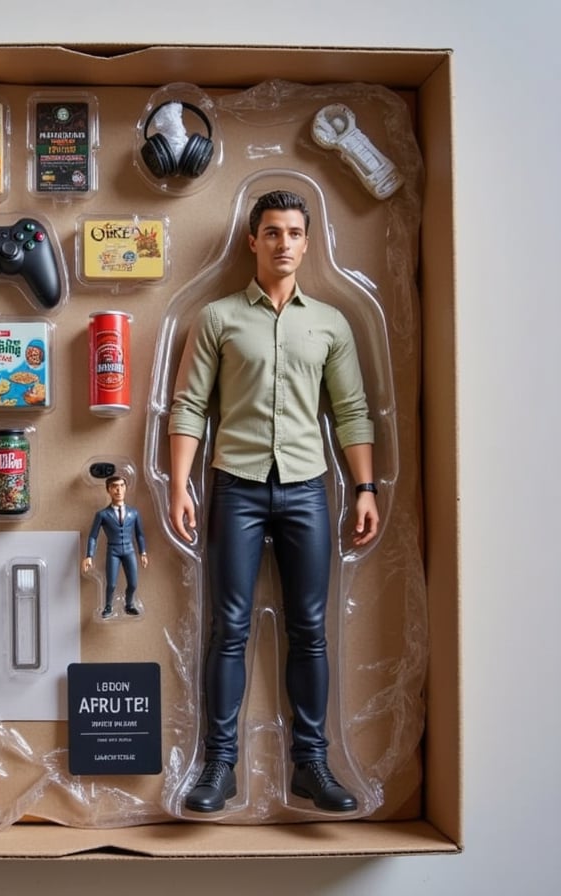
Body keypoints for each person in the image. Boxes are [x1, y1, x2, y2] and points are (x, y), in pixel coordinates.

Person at [167, 189, 379, 813]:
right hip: (235, 487)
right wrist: (179, 484)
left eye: (293, 232)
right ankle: (218, 767)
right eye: (271, 232)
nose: (283, 242)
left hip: (309, 490)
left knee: (309, 629)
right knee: (228, 629)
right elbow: (188, 407)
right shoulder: (218, 318)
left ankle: (312, 765)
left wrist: (363, 488)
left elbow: (352, 412)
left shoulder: (330, 324)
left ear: (307, 242)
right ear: (252, 241)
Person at [83, 475, 149, 618]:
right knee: (111, 584)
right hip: (113, 551)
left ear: (126, 488)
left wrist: (143, 552)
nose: (118, 490)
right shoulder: (102, 514)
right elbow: (93, 536)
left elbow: (140, 534)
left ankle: (129, 605)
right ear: (108, 490)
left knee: (133, 583)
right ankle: (108, 606)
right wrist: (89, 555)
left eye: (121, 486)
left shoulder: (133, 513)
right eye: (114, 486)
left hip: (129, 550)